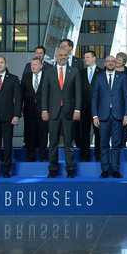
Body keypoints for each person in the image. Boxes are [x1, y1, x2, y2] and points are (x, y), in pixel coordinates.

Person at [42, 48, 82, 178]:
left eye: (65, 55)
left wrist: (77, 110)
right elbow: (44, 93)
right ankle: (52, 169)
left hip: (69, 112)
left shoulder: (74, 71)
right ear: (56, 56)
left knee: (69, 144)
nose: (63, 57)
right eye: (60, 55)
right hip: (53, 113)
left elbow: (78, 93)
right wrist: (44, 110)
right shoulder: (49, 72)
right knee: (53, 143)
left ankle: (70, 170)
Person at [92, 55, 127, 178]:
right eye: (108, 61)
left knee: (116, 145)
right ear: (105, 63)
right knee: (103, 144)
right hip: (103, 116)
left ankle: (115, 170)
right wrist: (94, 116)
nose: (110, 63)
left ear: (115, 63)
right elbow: (94, 98)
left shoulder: (122, 77)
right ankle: (104, 170)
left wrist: (126, 115)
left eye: (113, 61)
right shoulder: (99, 78)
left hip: (118, 116)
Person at [21, 58, 49, 162]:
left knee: (43, 134)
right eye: (32, 64)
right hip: (29, 110)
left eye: (35, 64)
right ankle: (30, 156)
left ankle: (42, 156)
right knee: (30, 133)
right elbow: (21, 94)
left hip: (43, 111)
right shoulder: (26, 77)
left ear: (41, 66)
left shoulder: (47, 76)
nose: (33, 66)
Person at [78, 50, 103, 162]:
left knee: (99, 133)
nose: (85, 59)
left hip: (98, 108)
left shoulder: (102, 72)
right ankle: (85, 156)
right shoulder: (81, 73)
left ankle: (98, 155)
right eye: (85, 57)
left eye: (88, 57)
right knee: (84, 132)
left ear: (94, 58)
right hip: (84, 107)